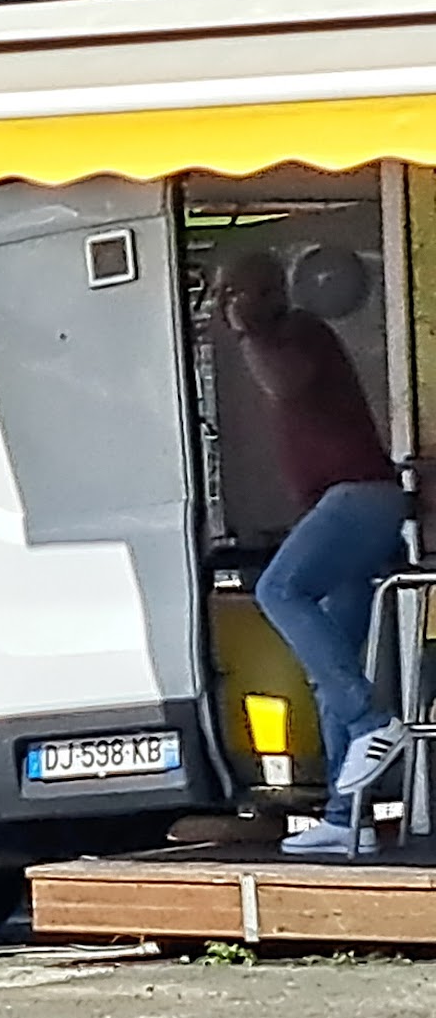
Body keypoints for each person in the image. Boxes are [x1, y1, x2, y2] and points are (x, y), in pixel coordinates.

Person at [217, 250, 408, 856]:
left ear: (266, 291)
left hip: (357, 498)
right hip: (351, 504)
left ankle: (372, 723)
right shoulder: (284, 337)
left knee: (278, 590)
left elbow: (283, 381)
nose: (225, 308)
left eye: (230, 293)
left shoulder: (298, 331)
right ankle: (346, 819)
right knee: (333, 667)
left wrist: (246, 326)